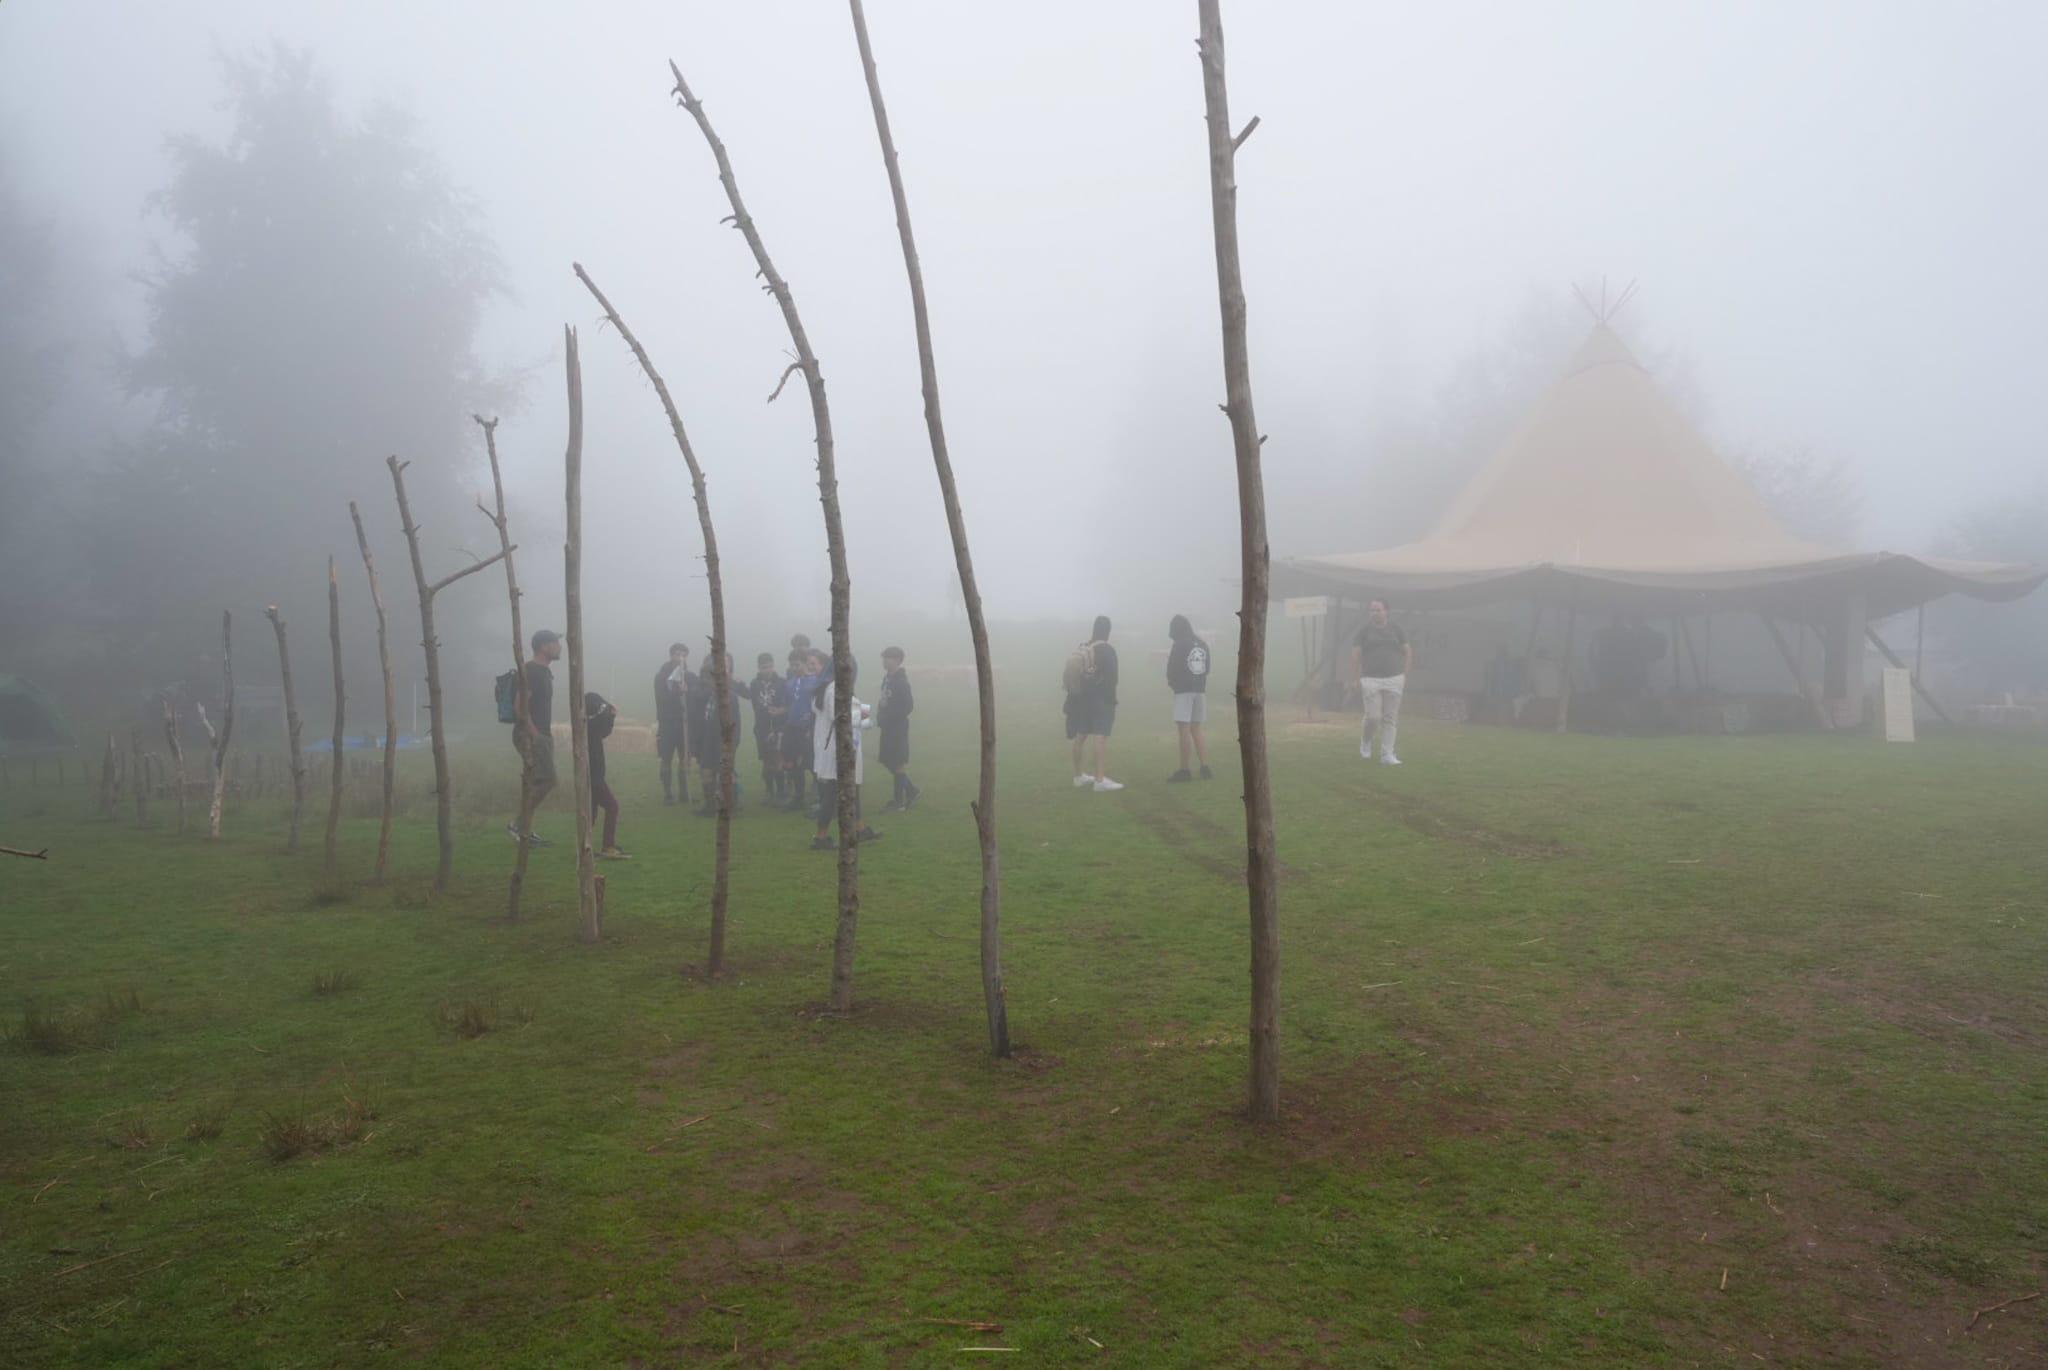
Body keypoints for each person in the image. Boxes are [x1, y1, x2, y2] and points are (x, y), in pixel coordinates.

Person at [811, 658, 881, 850]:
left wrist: (862, 715)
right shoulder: (834, 688)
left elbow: (851, 714)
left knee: (853, 790)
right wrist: (865, 716)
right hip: (838, 750)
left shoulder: (828, 688)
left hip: (842, 747)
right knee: (831, 795)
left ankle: (860, 829)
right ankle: (821, 837)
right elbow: (841, 716)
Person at [508, 628, 561, 847]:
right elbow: (520, 706)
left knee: (536, 781)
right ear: (543, 647)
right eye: (555, 643)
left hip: (541, 734)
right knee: (548, 780)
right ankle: (518, 825)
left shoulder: (544, 672)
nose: (559, 647)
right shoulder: (531, 671)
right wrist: (536, 735)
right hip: (531, 734)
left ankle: (525, 829)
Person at [1064, 615, 1123, 792]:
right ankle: (1099, 780)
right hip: (1102, 700)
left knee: (1081, 736)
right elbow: (1113, 678)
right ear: (1108, 631)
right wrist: (1111, 700)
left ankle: (1078, 776)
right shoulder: (1107, 650)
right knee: (1100, 737)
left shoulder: (1085, 648)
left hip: (1083, 699)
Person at [1350, 599, 1411, 765]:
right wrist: (1355, 678)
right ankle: (1366, 740)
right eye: (1372, 610)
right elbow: (1355, 655)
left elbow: (1407, 651)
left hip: (1394, 679)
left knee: (1390, 718)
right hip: (1370, 678)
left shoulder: (1396, 629)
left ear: (1386, 611)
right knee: (1373, 717)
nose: (1374, 613)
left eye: (1378, 610)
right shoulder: (1363, 631)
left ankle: (1387, 755)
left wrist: (1404, 674)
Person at [1165, 614, 1213, 783]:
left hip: (1184, 691)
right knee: (1196, 729)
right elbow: (1207, 668)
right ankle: (1205, 767)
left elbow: (1171, 668)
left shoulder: (1179, 644)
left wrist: (1173, 684)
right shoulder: (1202, 644)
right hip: (1200, 689)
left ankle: (1185, 770)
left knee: (1184, 730)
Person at [583, 690, 629, 859]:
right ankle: (608, 846)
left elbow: (604, 732)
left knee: (592, 813)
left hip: (593, 775)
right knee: (612, 806)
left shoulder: (588, 725)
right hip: (594, 776)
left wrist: (611, 716)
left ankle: (584, 847)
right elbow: (602, 726)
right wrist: (610, 713)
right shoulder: (589, 725)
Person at [780, 649, 825, 813]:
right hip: (792, 727)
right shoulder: (789, 683)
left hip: (808, 728)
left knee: (812, 763)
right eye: (792, 665)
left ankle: (822, 797)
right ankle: (798, 797)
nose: (794, 668)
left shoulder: (815, 682)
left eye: (797, 664)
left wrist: (811, 725)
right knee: (792, 763)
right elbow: (788, 704)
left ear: (805, 664)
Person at [876, 646, 920, 812]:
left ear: (897, 660)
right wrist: (880, 716)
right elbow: (883, 700)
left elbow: (908, 706)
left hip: (897, 728)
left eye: (887, 658)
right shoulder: (887, 678)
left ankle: (899, 802)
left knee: (897, 762)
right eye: (884, 657)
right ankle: (911, 790)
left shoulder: (901, 682)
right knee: (887, 760)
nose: (884, 661)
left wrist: (890, 717)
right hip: (887, 726)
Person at [654, 643, 691, 805]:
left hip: (684, 723)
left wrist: (689, 691)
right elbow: (662, 699)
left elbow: (696, 693)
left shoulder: (688, 675)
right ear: (671, 656)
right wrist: (678, 691)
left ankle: (684, 792)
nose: (680, 658)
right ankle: (668, 793)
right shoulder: (661, 676)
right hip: (667, 723)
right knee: (666, 758)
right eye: (677, 654)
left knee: (684, 759)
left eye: (683, 655)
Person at [746, 652, 786, 801]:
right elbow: (754, 704)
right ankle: (769, 791)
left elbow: (787, 703)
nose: (767, 670)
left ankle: (781, 792)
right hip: (761, 727)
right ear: (759, 668)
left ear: (773, 666)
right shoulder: (754, 684)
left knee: (778, 759)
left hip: (778, 726)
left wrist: (781, 711)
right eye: (764, 667)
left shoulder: (782, 682)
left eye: (769, 666)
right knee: (767, 760)